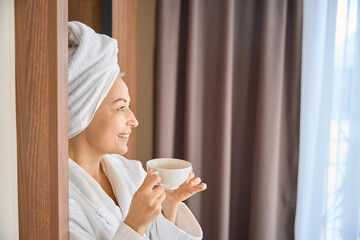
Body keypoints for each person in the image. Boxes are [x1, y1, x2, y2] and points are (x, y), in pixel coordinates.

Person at [67, 21, 207, 239]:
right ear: (84, 111)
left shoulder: (132, 174)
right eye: (121, 107)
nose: (134, 120)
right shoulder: (60, 200)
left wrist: (169, 205)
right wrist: (133, 225)